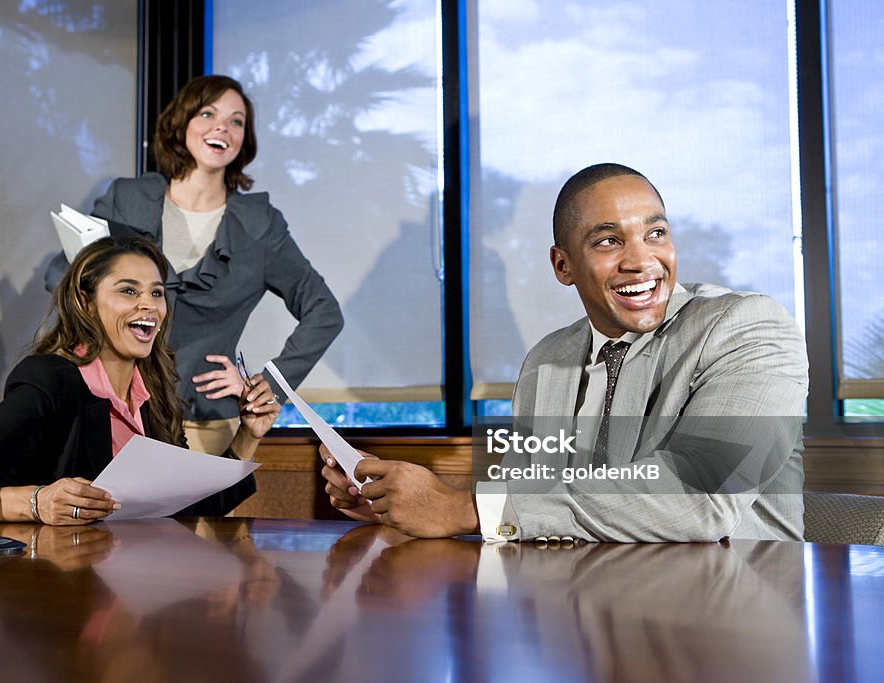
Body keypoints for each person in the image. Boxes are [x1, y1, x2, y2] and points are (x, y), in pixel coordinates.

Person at [320, 163, 807, 542]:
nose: (642, 260)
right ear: (563, 265)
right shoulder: (546, 362)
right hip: (586, 622)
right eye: (609, 241)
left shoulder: (749, 329)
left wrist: (461, 507)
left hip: (736, 628)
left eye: (655, 233)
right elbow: (527, 505)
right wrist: (393, 505)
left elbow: (701, 497)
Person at [46, 74, 343, 455]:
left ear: (243, 140)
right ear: (181, 123)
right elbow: (62, 275)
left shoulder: (260, 225)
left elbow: (325, 311)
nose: (223, 126)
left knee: (200, 516)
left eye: (237, 121)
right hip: (112, 411)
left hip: (204, 422)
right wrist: (92, 347)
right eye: (207, 113)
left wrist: (269, 384)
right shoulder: (127, 198)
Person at [0, 235, 280, 525]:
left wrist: (249, 435)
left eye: (157, 293)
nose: (149, 305)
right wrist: (37, 502)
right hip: (62, 597)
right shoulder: (49, 381)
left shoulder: (157, 392)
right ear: (85, 302)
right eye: (128, 290)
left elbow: (188, 508)